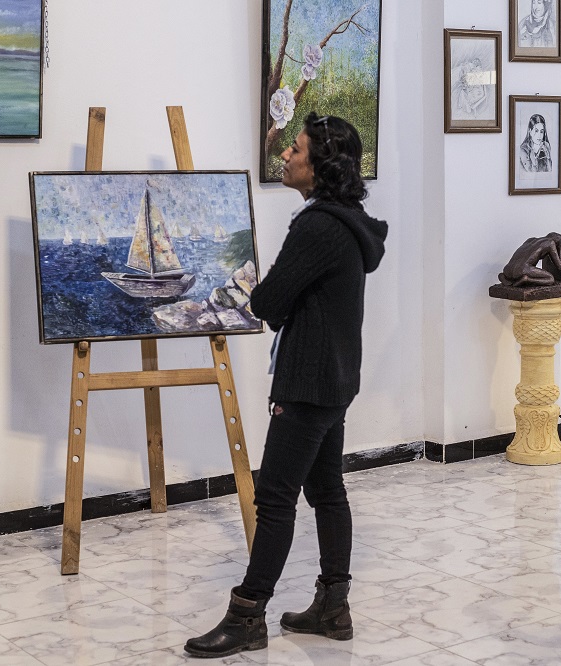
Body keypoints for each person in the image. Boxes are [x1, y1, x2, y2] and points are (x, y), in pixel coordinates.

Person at [184, 113, 388, 658]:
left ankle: (248, 615)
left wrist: (260, 288)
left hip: (307, 383)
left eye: (295, 150)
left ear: (319, 166)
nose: (286, 157)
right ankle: (333, 607)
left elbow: (269, 303)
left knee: (274, 498)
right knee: (326, 492)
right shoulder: (347, 221)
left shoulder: (317, 226)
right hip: (336, 378)